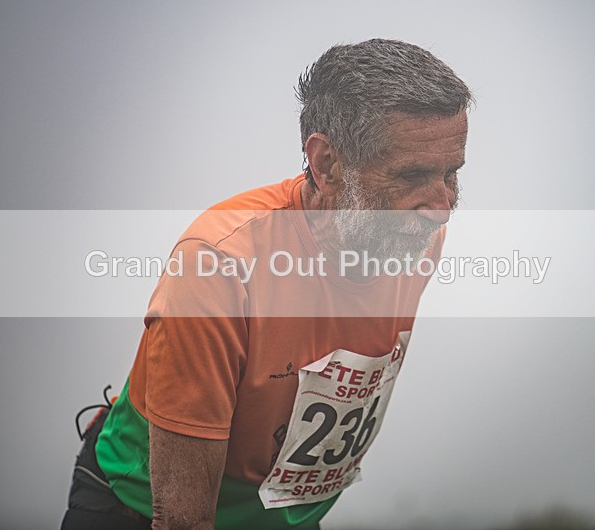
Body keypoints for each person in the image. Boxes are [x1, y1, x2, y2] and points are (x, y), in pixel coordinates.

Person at [61, 38, 472, 530]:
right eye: (411, 176)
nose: (442, 205)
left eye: (452, 174)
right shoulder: (218, 268)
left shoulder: (416, 232)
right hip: (138, 509)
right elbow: (183, 521)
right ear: (325, 165)